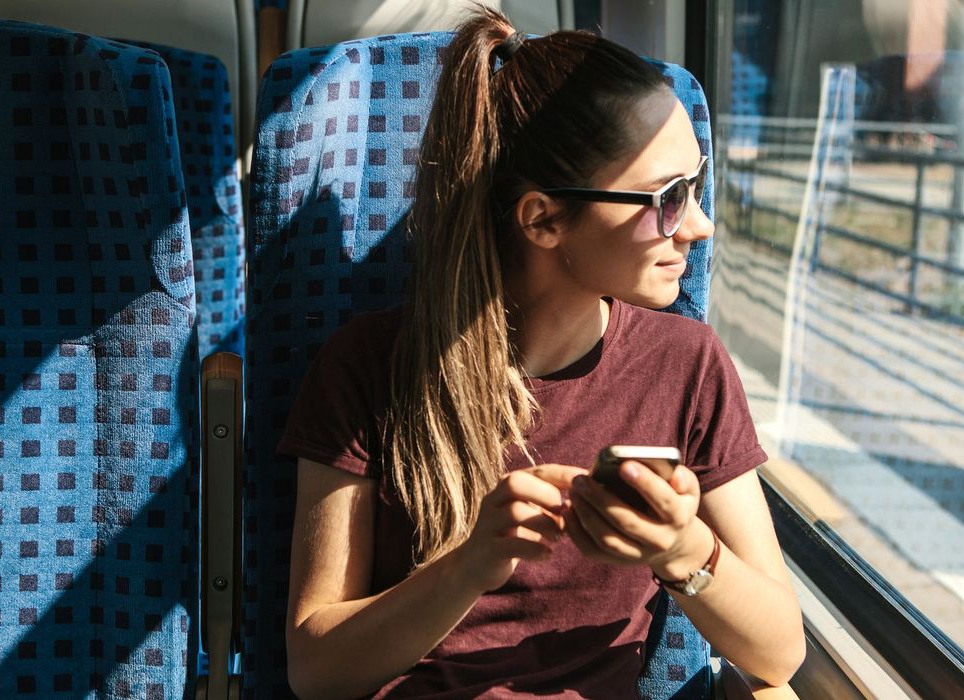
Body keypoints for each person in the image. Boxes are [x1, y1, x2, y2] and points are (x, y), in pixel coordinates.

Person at [277, 7, 805, 698]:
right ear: (544, 219)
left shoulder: (687, 365)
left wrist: (683, 551)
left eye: (697, 187)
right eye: (669, 199)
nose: (700, 228)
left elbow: (779, 653)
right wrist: (467, 567)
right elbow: (316, 670)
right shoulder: (369, 366)